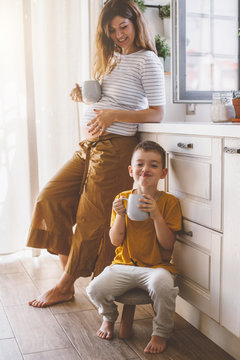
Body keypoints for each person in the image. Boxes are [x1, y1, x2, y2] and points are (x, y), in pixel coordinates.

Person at [27, 0, 166, 308]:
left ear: (136, 23)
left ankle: (65, 284)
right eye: (112, 30)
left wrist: (113, 116)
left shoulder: (148, 61)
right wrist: (82, 98)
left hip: (116, 150)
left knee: (90, 220)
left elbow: (156, 113)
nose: (119, 35)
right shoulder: (111, 58)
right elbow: (106, 102)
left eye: (123, 27)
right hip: (88, 147)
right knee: (50, 198)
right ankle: (70, 276)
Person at [86, 140, 182, 354]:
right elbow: (115, 241)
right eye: (140, 164)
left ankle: (160, 332)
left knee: (164, 286)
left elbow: (167, 244)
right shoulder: (122, 198)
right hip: (123, 264)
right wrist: (120, 215)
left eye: (153, 165)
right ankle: (109, 317)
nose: (145, 169)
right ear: (131, 170)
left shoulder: (170, 202)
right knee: (94, 288)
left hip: (157, 267)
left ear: (163, 173)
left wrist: (156, 214)